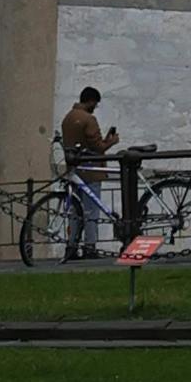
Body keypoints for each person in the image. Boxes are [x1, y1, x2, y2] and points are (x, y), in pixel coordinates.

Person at [56, 85, 115, 260]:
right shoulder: (89, 119)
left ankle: (72, 246)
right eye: (95, 104)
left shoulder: (68, 118)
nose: (95, 107)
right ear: (90, 101)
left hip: (74, 172)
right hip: (91, 172)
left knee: (75, 212)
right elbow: (98, 147)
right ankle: (90, 247)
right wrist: (111, 141)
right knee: (91, 212)